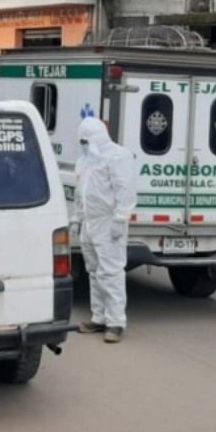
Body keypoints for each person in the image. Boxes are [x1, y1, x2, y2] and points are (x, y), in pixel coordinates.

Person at [70, 117, 137, 344]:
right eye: (82, 141)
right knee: (94, 271)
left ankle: (116, 322)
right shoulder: (84, 161)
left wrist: (120, 218)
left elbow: (125, 190)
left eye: (86, 140)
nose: (83, 144)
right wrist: (77, 218)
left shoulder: (118, 156)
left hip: (108, 223)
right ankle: (98, 317)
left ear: (96, 137)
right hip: (90, 223)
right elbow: (81, 193)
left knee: (111, 272)